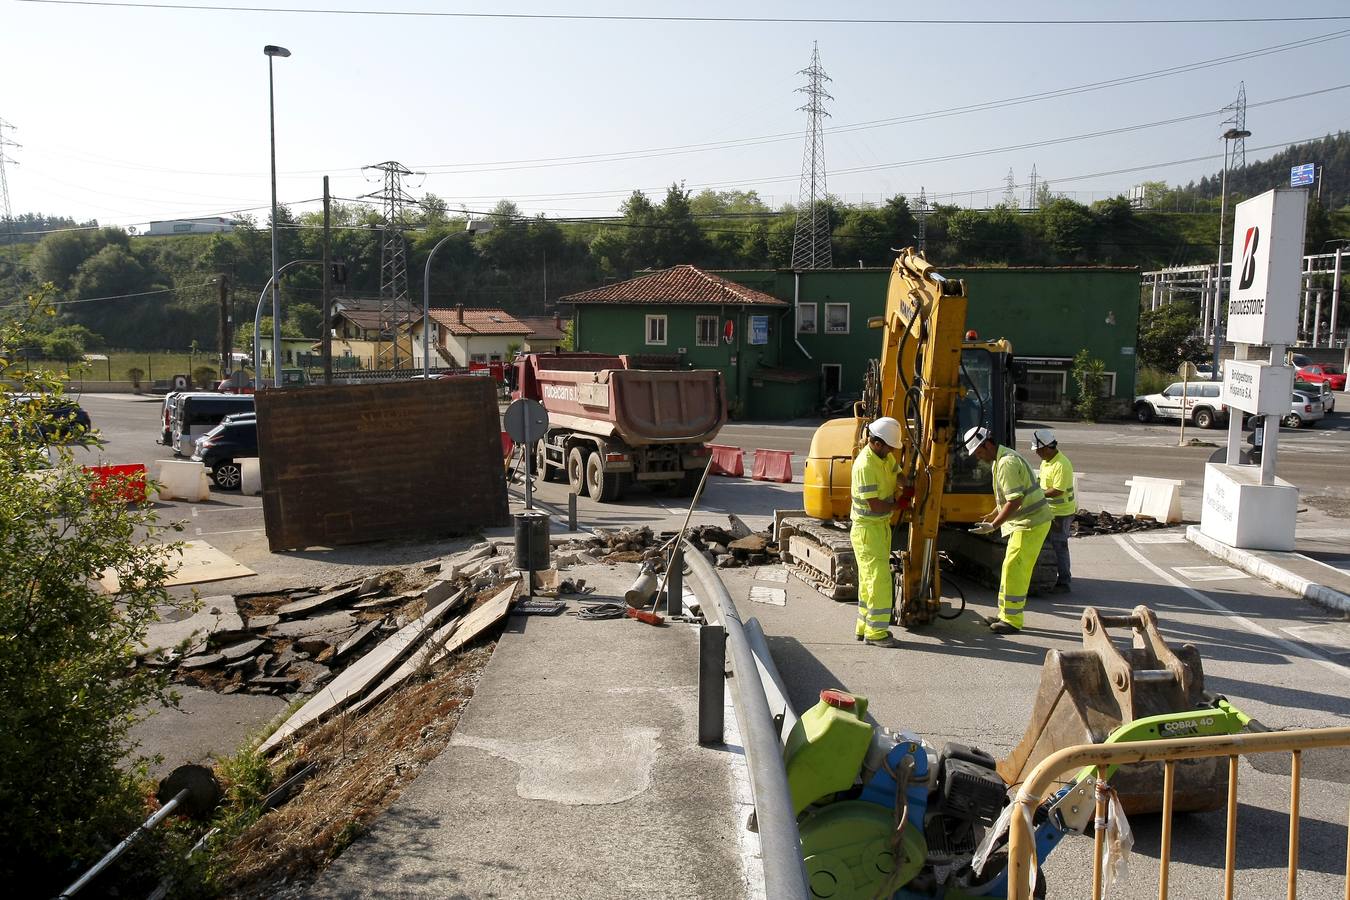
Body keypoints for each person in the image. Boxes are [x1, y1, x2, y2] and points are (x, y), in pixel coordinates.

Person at [963, 427, 1052, 635]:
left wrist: (993, 525)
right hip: (1026, 522)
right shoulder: (1001, 460)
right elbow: (1007, 497)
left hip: (1031, 523)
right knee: (1009, 568)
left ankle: (1012, 620)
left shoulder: (1006, 463)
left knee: (1015, 570)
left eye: (979, 451)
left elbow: (1015, 500)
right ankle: (1005, 614)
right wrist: (993, 514)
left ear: (988, 444)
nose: (978, 456)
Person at [851, 417, 905, 649]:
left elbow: (898, 473)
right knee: (879, 580)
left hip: (879, 527)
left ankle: (864, 626)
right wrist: (900, 505)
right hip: (867, 530)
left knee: (868, 580)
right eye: (890, 446)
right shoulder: (865, 466)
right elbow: (874, 505)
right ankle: (876, 632)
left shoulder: (884, 457)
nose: (893, 450)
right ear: (877, 443)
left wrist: (909, 483)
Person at [1031, 428, 1076, 594]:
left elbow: (1057, 490)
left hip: (1061, 513)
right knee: (1050, 544)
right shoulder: (1047, 461)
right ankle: (1052, 576)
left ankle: (1064, 581)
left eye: (1038, 450)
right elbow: (1042, 482)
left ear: (1046, 447)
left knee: (1059, 545)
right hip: (1050, 511)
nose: (1037, 453)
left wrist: (1037, 494)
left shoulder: (1061, 464)